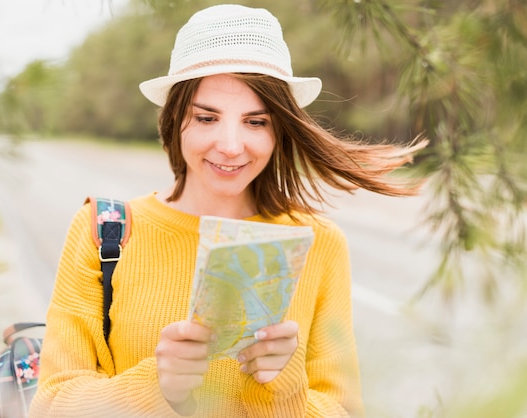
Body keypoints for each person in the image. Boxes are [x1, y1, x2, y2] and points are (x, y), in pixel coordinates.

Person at [30, 4, 426, 417]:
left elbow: (343, 411)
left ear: (279, 129)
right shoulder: (105, 231)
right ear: (174, 119)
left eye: (256, 122)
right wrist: (157, 387)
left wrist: (283, 386)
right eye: (207, 117)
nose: (231, 145)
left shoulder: (319, 243)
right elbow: (50, 406)